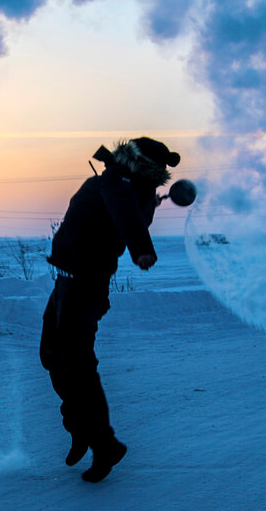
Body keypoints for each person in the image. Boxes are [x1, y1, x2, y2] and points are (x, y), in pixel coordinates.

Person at [40, 137, 181, 482]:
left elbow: (123, 211)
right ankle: (80, 429)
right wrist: (146, 207)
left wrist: (141, 248)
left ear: (130, 157)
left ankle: (104, 444)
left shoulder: (118, 183)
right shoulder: (131, 189)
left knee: (79, 367)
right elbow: (127, 211)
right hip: (66, 283)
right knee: (53, 357)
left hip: (83, 286)